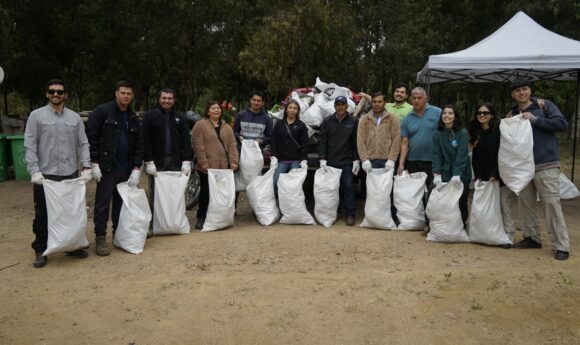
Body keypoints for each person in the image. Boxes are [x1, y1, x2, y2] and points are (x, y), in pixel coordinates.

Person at [24, 79, 92, 268]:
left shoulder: (74, 118)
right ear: (47, 94)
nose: (56, 95)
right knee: (43, 213)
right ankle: (41, 248)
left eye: (59, 92)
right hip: (45, 175)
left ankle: (71, 245)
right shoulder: (36, 116)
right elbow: (30, 145)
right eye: (52, 91)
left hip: (69, 173)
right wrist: (34, 171)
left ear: (65, 95)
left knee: (70, 212)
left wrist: (86, 166)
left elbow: (83, 143)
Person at [508, 78, 570, 260]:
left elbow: (562, 124)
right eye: (517, 91)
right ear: (513, 94)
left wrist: (535, 120)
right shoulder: (512, 112)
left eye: (524, 89)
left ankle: (561, 245)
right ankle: (532, 238)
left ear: (529, 90)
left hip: (546, 164)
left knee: (551, 204)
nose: (522, 93)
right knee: (526, 203)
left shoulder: (544, 106)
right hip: (523, 166)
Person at [86, 81, 143, 256]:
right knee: (103, 204)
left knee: (122, 204)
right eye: (123, 93)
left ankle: (119, 234)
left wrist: (136, 167)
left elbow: (139, 143)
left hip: (125, 169)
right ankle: (101, 238)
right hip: (107, 168)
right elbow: (91, 137)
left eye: (129, 94)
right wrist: (93, 162)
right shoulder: (102, 112)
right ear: (116, 93)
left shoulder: (133, 117)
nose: (126, 96)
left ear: (132, 96)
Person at [140, 88, 193, 230]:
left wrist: (187, 160)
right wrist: (148, 161)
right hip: (157, 163)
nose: (167, 101)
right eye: (164, 98)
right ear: (159, 99)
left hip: (175, 162)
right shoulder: (150, 116)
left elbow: (186, 140)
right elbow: (145, 139)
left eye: (170, 98)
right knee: (155, 194)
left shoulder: (180, 118)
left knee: (175, 194)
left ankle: (173, 223)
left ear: (174, 100)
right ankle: (154, 225)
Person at [469, 102, 515, 248]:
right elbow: (476, 157)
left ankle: (508, 236)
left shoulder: (499, 131)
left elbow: (503, 154)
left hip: (499, 176)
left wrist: (496, 173)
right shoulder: (477, 134)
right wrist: (477, 175)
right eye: (479, 113)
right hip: (483, 177)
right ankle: (487, 233)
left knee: (503, 206)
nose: (482, 115)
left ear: (492, 115)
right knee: (486, 208)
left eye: (485, 113)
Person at [398, 87, 442, 235]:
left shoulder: (437, 112)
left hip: (433, 161)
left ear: (426, 98)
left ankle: (431, 223)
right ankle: (421, 222)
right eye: (414, 98)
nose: (416, 101)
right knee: (417, 194)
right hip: (413, 161)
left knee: (432, 192)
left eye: (419, 98)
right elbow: (404, 141)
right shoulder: (407, 117)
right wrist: (401, 163)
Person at [192, 100, 239, 229]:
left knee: (222, 193)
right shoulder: (200, 125)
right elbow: (198, 145)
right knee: (206, 193)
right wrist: (204, 163)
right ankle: (201, 217)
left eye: (218, 108)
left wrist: (234, 162)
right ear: (208, 111)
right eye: (213, 108)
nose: (216, 110)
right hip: (207, 168)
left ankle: (219, 217)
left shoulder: (227, 127)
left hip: (223, 167)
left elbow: (232, 145)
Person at [318, 96, 360, 226]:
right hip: (331, 161)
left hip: (347, 161)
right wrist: (322, 159)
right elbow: (322, 141)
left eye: (343, 104)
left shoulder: (353, 121)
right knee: (332, 189)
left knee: (348, 187)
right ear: (334, 106)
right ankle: (335, 213)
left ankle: (350, 214)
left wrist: (356, 159)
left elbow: (355, 142)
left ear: (347, 106)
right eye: (338, 104)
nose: (340, 107)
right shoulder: (327, 121)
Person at [431, 104, 472, 226]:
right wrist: (437, 173)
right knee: (439, 198)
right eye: (444, 113)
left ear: (455, 116)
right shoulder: (437, 133)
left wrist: (457, 174)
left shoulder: (462, 133)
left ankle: (462, 225)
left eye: (450, 113)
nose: (447, 115)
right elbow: (436, 155)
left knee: (461, 200)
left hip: (461, 173)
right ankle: (435, 225)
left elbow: (462, 155)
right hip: (444, 171)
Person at [233, 91, 273, 205]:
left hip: (256, 154)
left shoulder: (267, 119)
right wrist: (238, 137)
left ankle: (256, 208)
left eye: (259, 101)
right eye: (254, 100)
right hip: (241, 151)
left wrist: (262, 141)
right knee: (238, 177)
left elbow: (270, 137)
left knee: (255, 179)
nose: (256, 102)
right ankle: (233, 207)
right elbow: (234, 130)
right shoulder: (241, 115)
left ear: (263, 103)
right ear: (250, 101)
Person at [270, 99, 309, 193]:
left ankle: (291, 205)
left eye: (295, 108)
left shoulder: (301, 125)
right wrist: (274, 157)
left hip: (295, 160)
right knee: (275, 182)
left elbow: (304, 144)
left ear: (298, 111)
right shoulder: (279, 124)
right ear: (286, 110)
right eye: (290, 107)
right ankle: (277, 202)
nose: (292, 110)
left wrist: (304, 160)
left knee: (294, 184)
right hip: (282, 160)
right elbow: (274, 141)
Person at [357, 92, 401, 172]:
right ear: (371, 103)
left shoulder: (393, 118)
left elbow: (396, 140)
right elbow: (360, 141)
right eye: (374, 102)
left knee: (386, 184)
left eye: (380, 102)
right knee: (368, 184)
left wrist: (391, 159)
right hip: (369, 161)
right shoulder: (364, 119)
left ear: (385, 103)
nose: (377, 104)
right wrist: (364, 159)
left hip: (387, 161)